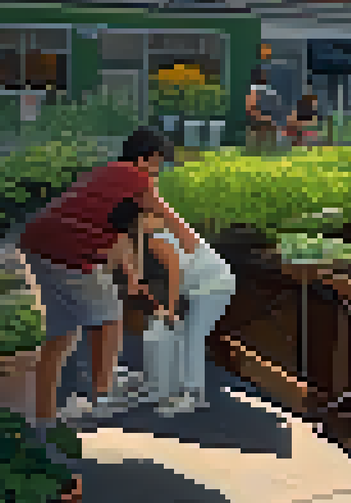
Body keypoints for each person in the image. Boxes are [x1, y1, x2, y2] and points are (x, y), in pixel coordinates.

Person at [18, 127, 192, 426]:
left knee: (62, 332)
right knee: (110, 316)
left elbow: (117, 235)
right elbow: (163, 211)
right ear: (147, 157)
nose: (158, 172)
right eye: (158, 163)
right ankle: (102, 394)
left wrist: (132, 273)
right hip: (66, 253)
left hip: (39, 245)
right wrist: (191, 243)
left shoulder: (107, 178)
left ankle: (44, 416)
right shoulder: (134, 176)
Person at [142, 207, 236, 416]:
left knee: (192, 338)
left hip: (211, 287)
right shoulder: (169, 234)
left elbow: (175, 273)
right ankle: (180, 391)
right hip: (210, 286)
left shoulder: (157, 239)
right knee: (188, 337)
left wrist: (172, 308)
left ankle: (192, 395)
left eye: (146, 218)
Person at [246, 67, 283, 153]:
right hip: (260, 120)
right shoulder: (255, 91)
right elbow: (251, 109)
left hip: (265, 119)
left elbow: (276, 107)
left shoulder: (267, 91)